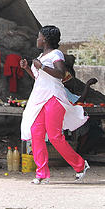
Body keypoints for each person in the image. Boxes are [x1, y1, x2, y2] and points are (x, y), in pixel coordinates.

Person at [19, 25, 88, 184]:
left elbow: (61, 74)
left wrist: (41, 66)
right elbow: (40, 79)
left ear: (45, 39)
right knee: (36, 133)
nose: (37, 39)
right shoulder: (41, 56)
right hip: (40, 98)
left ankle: (80, 165)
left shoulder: (56, 54)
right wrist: (28, 69)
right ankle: (42, 173)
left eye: (39, 37)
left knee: (55, 135)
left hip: (54, 97)